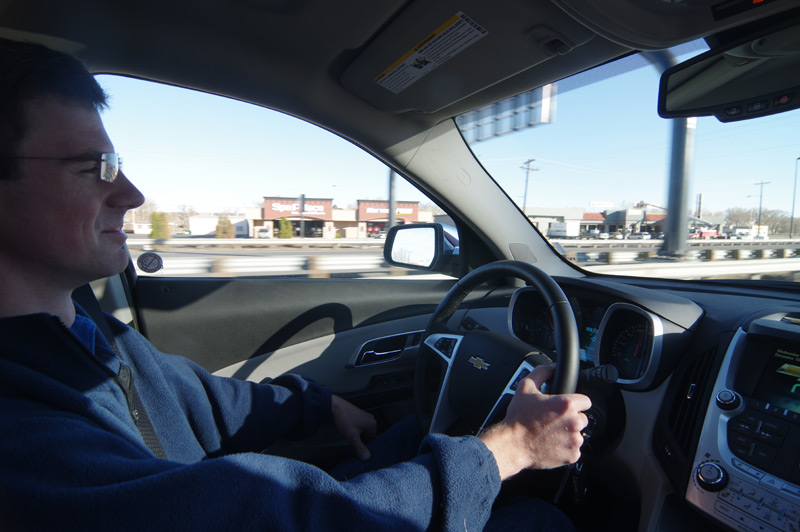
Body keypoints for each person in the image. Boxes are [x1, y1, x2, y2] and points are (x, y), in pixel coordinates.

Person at [0, 37, 591, 531]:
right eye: (92, 167)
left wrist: (318, 404)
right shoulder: (20, 434)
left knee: (416, 432)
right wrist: (510, 450)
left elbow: (203, 401)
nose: (130, 194)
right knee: (539, 522)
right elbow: (255, 512)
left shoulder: (89, 334)